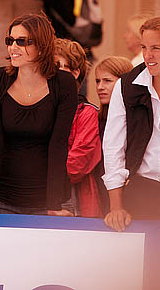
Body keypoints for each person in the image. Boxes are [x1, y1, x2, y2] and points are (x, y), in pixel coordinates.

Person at [0, 13, 78, 215]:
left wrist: (53, 205)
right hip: (5, 199)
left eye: (21, 41)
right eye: (10, 40)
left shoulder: (64, 83)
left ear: (41, 45)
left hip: (51, 200)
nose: (13, 47)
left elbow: (59, 144)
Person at [102, 15, 160, 231]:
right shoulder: (127, 86)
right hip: (142, 192)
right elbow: (113, 148)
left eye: (156, 48)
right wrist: (116, 207)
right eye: (144, 47)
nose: (147, 55)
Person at [54, 38, 102, 217]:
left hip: (69, 195)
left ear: (74, 72)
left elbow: (77, 161)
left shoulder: (87, 112)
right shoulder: (41, 107)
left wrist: (43, 176)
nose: (51, 73)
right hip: (35, 193)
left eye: (58, 66)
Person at [94, 56, 133, 215]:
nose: (100, 87)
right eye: (97, 81)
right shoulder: (96, 119)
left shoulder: (136, 122)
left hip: (128, 197)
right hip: (99, 195)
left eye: (107, 81)